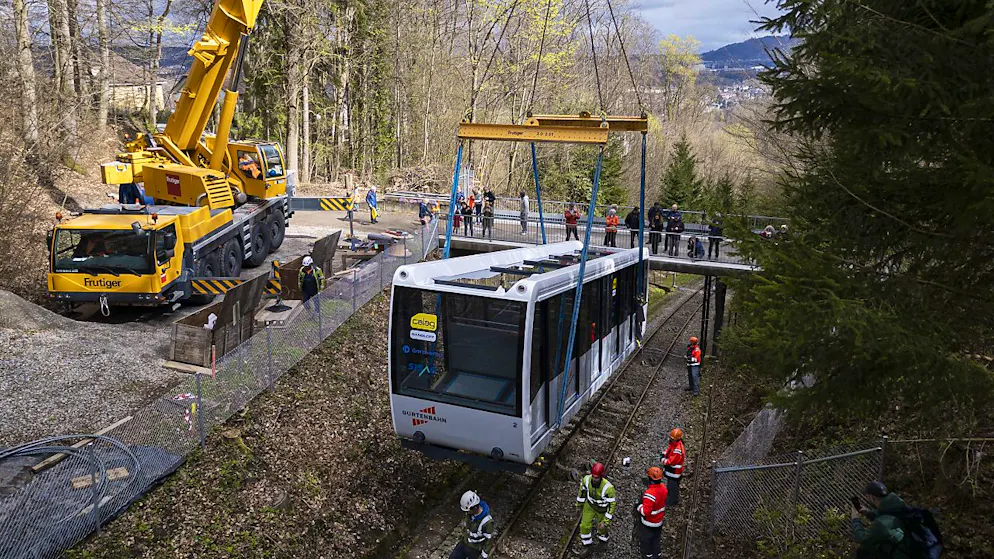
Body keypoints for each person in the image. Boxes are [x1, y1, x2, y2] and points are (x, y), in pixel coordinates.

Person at [851, 481, 914, 559]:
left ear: (872, 497)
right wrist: (869, 514)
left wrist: (855, 520)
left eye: (867, 497)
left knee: (864, 551)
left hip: (899, 555)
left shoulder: (881, 524)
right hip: (911, 551)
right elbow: (889, 516)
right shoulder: (900, 506)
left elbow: (863, 539)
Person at [575, 462, 617, 547]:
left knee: (601, 527)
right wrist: (579, 505)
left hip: (602, 509)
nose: (594, 479)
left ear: (601, 477)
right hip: (590, 505)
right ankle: (587, 544)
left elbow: (612, 505)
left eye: (596, 478)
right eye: (593, 477)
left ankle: (603, 537)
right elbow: (581, 493)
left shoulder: (608, 488)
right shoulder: (586, 480)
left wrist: (605, 522)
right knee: (584, 525)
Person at [451, 490, 495, 559]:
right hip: (465, 542)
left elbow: (489, 540)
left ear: (475, 507)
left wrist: (483, 556)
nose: (467, 513)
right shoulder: (470, 515)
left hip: (476, 548)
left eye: (468, 511)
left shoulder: (487, 522)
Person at [636, 466, 668, 559]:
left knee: (646, 541)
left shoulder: (650, 494)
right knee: (656, 540)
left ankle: (648, 556)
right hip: (659, 521)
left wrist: (639, 507)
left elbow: (646, 512)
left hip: (649, 523)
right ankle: (657, 555)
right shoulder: (663, 488)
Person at [660, 428, 686, 507]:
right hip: (673, 472)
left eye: (672, 439)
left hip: (674, 473)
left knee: (672, 487)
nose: (670, 440)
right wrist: (665, 453)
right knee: (672, 487)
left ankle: (671, 502)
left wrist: (663, 459)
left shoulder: (677, 450)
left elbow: (671, 461)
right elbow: (670, 451)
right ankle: (673, 499)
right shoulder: (675, 445)